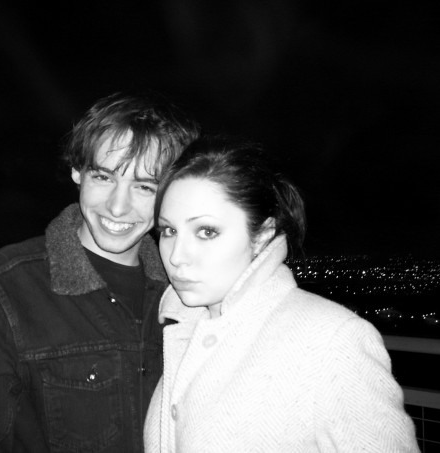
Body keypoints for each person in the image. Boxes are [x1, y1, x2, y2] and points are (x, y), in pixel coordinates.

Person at [0, 91, 200, 452]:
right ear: (78, 171)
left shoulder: (187, 291)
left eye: (144, 186)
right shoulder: (4, 289)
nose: (118, 207)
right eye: (103, 177)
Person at [144, 136, 420, 452]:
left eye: (206, 231)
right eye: (169, 231)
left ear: (262, 235)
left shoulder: (332, 341)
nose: (176, 256)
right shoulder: (183, 331)